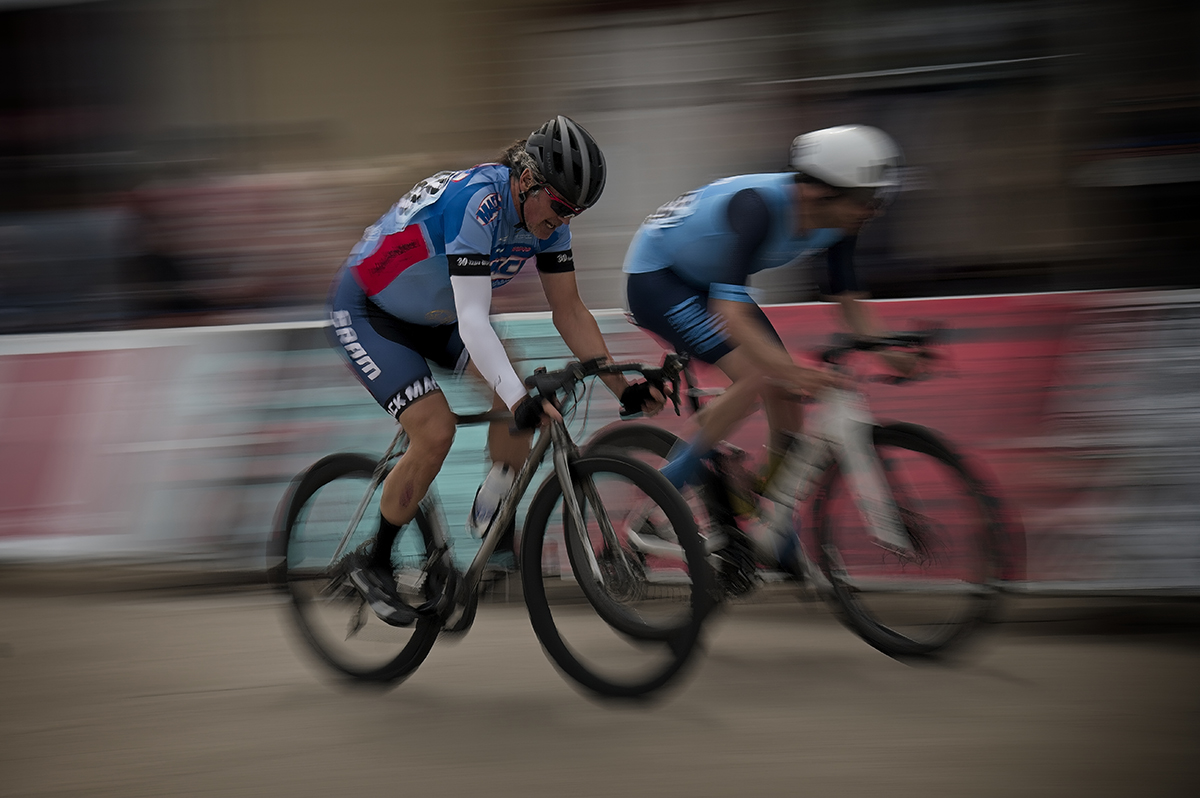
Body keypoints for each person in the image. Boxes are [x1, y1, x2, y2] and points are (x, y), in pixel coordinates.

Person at [328, 115, 664, 625]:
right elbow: (473, 319)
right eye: (560, 207)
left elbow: (569, 310)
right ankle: (374, 561)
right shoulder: (478, 204)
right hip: (370, 311)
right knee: (436, 430)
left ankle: (493, 515)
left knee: (522, 391)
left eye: (576, 212)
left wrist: (622, 385)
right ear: (528, 179)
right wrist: (517, 398)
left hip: (433, 314)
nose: (565, 220)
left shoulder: (546, 220)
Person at [622, 124, 917, 570]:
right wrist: (792, 371)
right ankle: (663, 494)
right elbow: (729, 308)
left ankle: (767, 516)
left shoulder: (840, 218)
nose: (874, 212)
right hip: (658, 279)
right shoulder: (757, 205)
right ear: (821, 191)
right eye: (867, 201)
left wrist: (886, 346)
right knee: (757, 378)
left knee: (785, 397)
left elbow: (848, 298)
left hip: (706, 283)